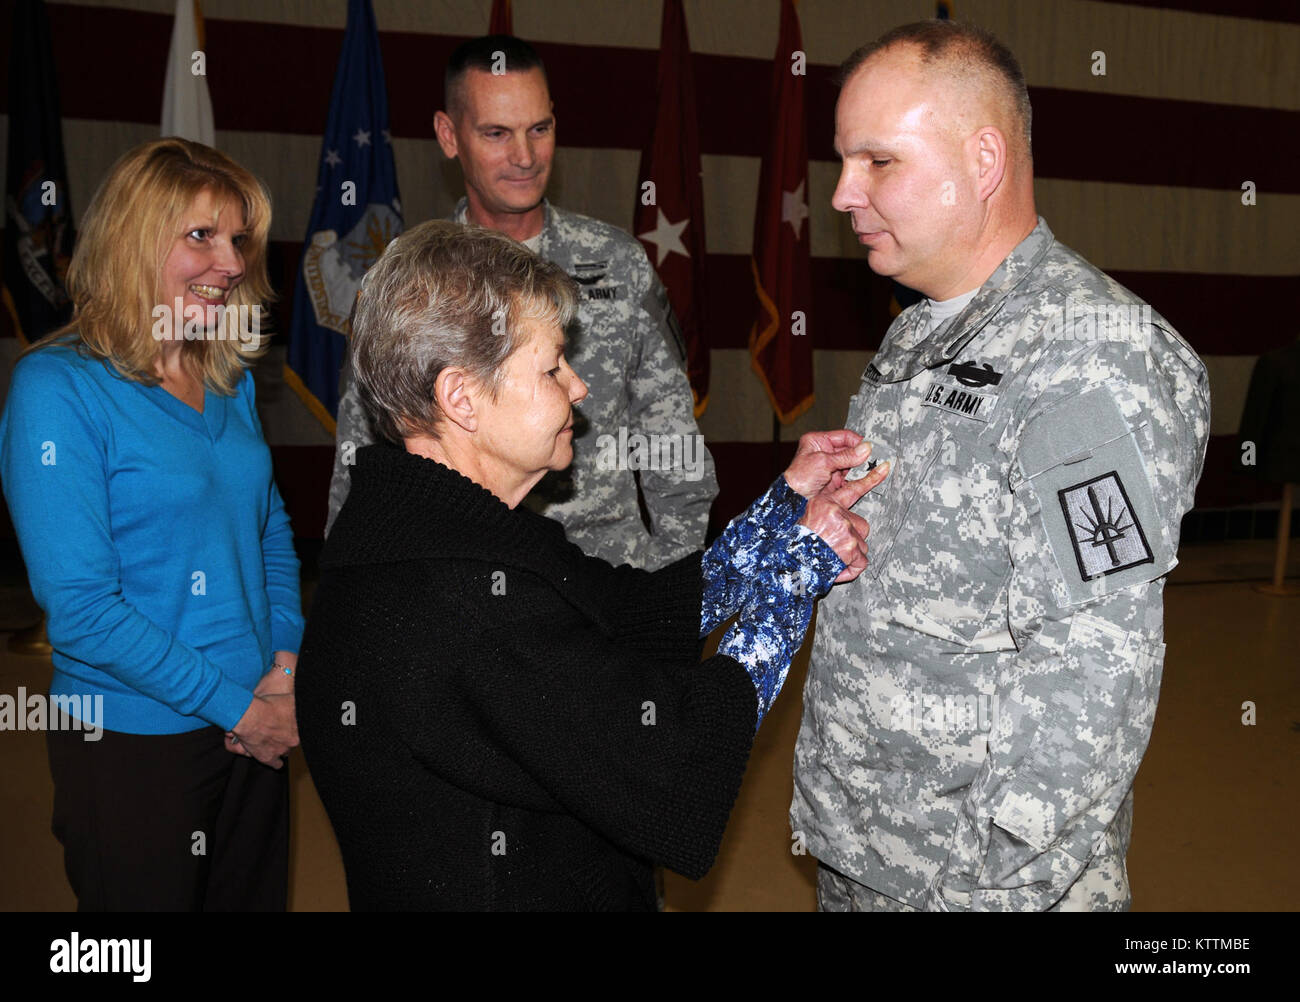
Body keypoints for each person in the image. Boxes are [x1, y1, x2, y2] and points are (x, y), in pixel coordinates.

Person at [296, 220, 888, 911]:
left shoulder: (431, 527)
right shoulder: (458, 594)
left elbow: (631, 615)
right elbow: (669, 754)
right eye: (551, 368)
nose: (578, 387)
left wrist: (782, 513)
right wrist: (793, 579)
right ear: (460, 398)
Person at [790, 20, 1211, 912]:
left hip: (980, 884)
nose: (841, 194)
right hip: (871, 853)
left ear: (984, 161)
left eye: (878, 162)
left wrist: (990, 880)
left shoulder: (1094, 360)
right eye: (843, 160)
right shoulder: (925, 325)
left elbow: (1096, 664)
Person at [0, 138, 303, 910]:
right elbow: (82, 612)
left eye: (237, 239)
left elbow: (268, 529)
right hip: (133, 742)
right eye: (200, 236)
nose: (230, 263)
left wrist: (285, 668)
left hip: (255, 720)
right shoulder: (57, 388)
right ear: (133, 241)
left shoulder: (224, 373)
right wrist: (243, 709)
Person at [327, 34, 715, 569]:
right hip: (456, 583)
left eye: (540, 128)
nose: (525, 157)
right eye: (496, 133)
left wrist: (675, 586)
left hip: (605, 582)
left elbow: (671, 438)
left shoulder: (617, 263)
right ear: (448, 135)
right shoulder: (406, 280)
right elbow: (360, 453)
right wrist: (355, 586)